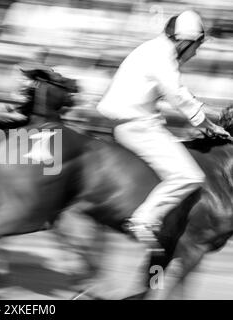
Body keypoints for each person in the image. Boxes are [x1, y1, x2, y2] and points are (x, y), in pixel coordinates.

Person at [96, 10, 230, 250]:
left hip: (136, 123)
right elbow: (178, 96)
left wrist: (207, 124)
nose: (196, 52)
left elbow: (180, 95)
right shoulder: (162, 55)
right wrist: (209, 126)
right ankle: (144, 220)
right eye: (197, 46)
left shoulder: (155, 49)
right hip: (138, 127)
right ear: (186, 41)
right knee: (190, 176)